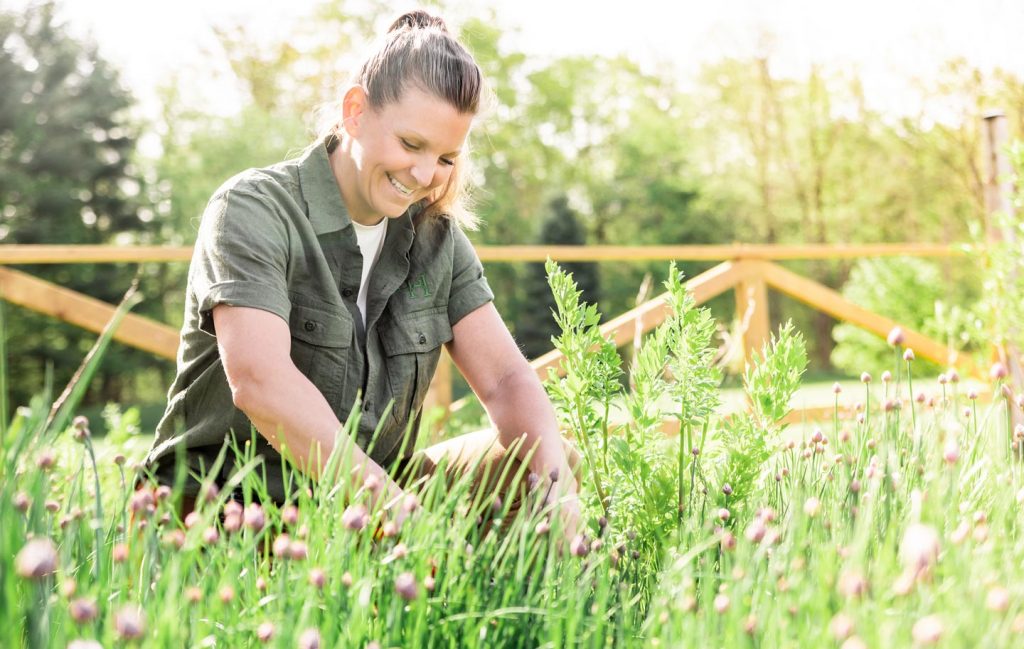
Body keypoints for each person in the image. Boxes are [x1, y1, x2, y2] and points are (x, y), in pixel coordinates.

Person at [144, 10, 581, 540]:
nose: (424, 175)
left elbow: (507, 380)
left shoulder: (436, 238)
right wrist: (397, 513)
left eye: (446, 157)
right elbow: (260, 383)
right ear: (355, 111)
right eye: (411, 145)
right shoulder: (253, 209)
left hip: (367, 504)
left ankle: (491, 614)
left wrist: (558, 497)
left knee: (543, 462)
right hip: (231, 510)